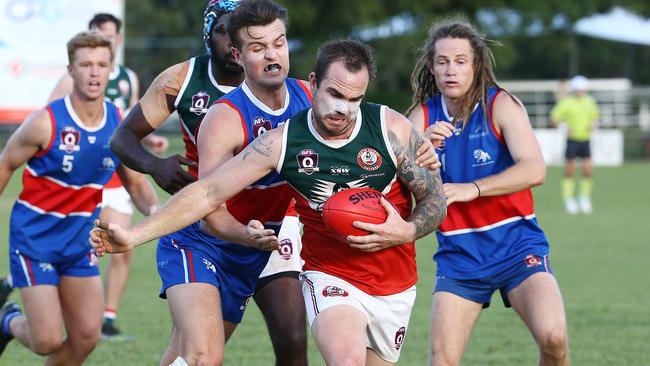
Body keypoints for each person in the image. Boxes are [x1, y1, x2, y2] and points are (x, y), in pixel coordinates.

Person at [91, 38, 446, 366]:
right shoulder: (282, 143)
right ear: (312, 84)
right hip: (330, 276)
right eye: (335, 94)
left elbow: (434, 198)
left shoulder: (391, 129)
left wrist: (408, 230)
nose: (343, 109)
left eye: (355, 99)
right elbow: (208, 192)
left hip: (395, 282)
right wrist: (135, 235)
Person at [109, 1, 322, 364]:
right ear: (216, 38)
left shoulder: (298, 94)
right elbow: (123, 138)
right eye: (224, 31)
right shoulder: (187, 84)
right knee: (201, 353)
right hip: (205, 219)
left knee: (289, 337)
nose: (267, 52)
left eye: (277, 42)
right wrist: (155, 166)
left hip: (271, 224)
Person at [406, 20, 569, 365]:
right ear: (432, 68)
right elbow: (395, 188)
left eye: (461, 61)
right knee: (442, 360)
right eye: (443, 62)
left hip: (517, 247)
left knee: (554, 338)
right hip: (459, 255)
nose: (451, 70)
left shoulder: (501, 105)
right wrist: (420, 152)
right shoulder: (420, 118)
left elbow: (534, 169)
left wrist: (473, 189)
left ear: (476, 65)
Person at [0, 31, 158, 363]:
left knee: (87, 336)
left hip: (79, 244)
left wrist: (159, 211)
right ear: (70, 70)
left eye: (102, 64)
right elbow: (5, 166)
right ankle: (7, 320)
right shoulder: (45, 123)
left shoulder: (118, 124)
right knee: (46, 340)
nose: (94, 72)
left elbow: (136, 184)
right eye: (85, 64)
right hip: (34, 241)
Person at [48, 13, 169, 340]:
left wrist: (149, 144)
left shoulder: (127, 79)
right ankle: (60, 311)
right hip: (80, 177)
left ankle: (108, 317)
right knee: (77, 246)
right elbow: (52, 125)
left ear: (117, 40)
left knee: (122, 243)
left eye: (110, 36)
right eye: (98, 34)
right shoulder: (70, 78)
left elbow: (128, 131)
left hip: (114, 172)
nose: (105, 41)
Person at [550, 75, 600, 214]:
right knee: (570, 171)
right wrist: (563, 125)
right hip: (572, 140)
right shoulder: (566, 102)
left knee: (588, 170)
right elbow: (554, 119)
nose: (580, 92)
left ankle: (584, 198)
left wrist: (594, 123)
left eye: (582, 90)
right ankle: (568, 199)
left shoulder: (590, 101)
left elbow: (595, 117)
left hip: (585, 140)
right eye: (578, 90)